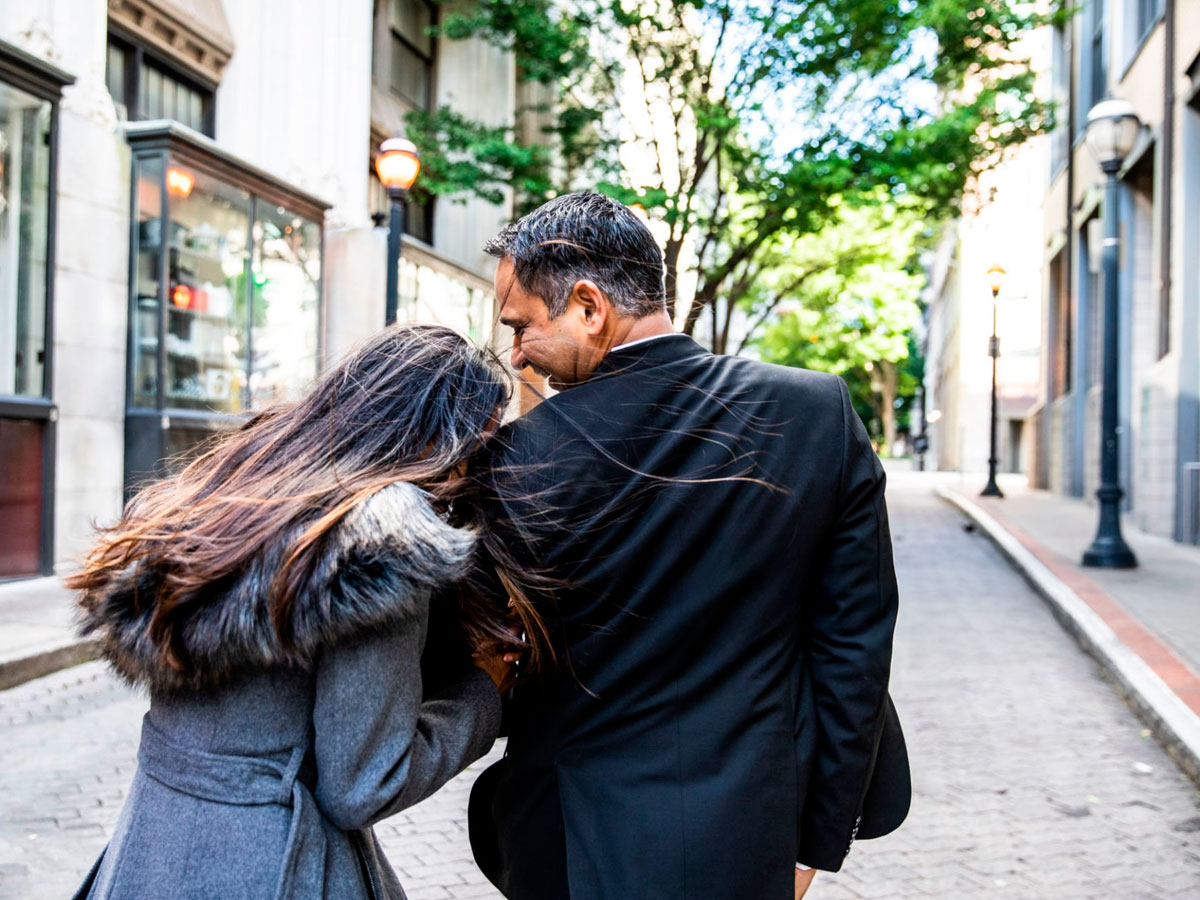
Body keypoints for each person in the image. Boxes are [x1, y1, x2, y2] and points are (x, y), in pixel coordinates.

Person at [467, 192, 911, 900]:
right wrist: (815, 846)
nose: (516, 352)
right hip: (755, 834)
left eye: (520, 326)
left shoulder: (514, 459)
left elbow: (493, 657)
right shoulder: (817, 413)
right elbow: (855, 649)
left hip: (570, 840)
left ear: (589, 307)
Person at [67, 324, 531, 900]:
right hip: (271, 864)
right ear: (437, 440)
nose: (468, 479)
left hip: (153, 845)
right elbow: (363, 784)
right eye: (473, 454)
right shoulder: (381, 535)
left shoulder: (244, 476)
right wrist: (484, 689)